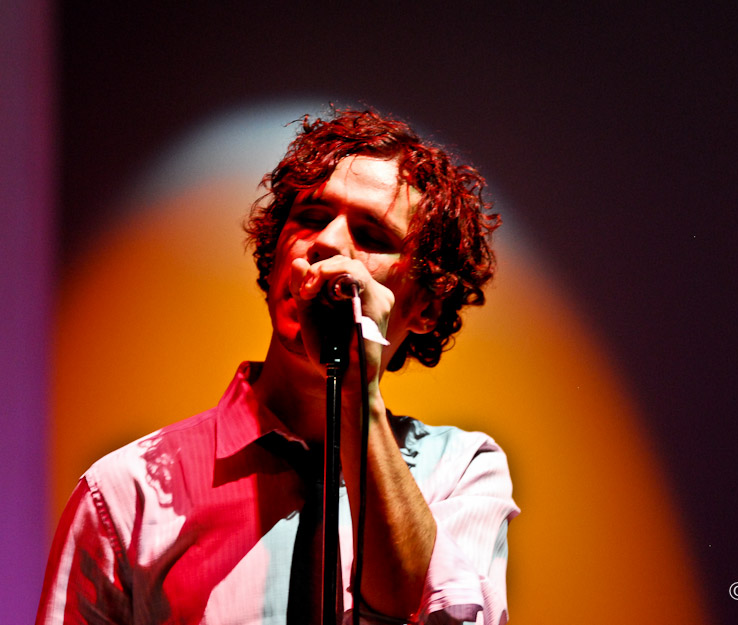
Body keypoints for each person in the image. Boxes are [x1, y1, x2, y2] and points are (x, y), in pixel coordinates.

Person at [37, 109, 519, 624]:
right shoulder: (124, 492)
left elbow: (424, 610)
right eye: (311, 217)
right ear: (274, 258)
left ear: (425, 306)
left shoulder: (461, 473)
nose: (327, 243)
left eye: (372, 235)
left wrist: (355, 391)